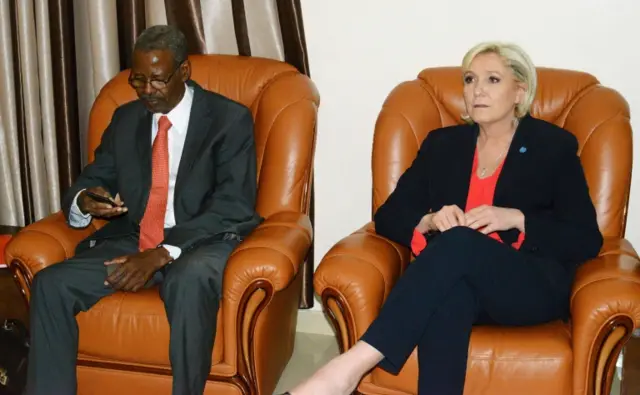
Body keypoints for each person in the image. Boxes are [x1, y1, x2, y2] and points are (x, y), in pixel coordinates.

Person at [283, 42, 603, 395]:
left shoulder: (552, 147)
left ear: (520, 92)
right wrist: (430, 221)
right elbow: (389, 215)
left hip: (527, 286)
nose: (477, 90)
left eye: (492, 80)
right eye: (469, 79)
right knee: (451, 293)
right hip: (453, 277)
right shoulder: (442, 145)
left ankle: (348, 367)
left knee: (461, 242)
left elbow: (586, 238)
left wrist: (517, 218)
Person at [26, 25, 262, 395]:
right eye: (138, 81)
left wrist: (163, 253)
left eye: (157, 80)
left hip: (202, 240)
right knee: (50, 284)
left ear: (183, 72)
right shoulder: (125, 119)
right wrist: (85, 201)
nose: (146, 91)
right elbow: (92, 177)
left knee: (189, 280)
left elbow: (233, 204)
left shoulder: (229, 120)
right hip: (134, 237)